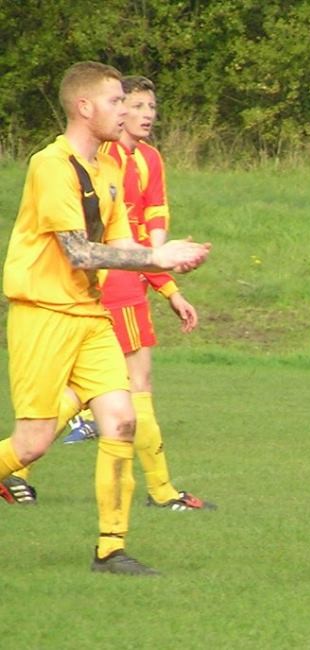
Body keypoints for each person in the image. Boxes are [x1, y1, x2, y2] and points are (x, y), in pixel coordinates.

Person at [0, 61, 211, 574]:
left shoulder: (110, 169)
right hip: (42, 314)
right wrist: (154, 257)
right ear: (84, 106)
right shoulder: (51, 165)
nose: (125, 110)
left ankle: (110, 550)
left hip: (90, 315)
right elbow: (78, 252)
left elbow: (121, 246)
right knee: (32, 443)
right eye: (116, 101)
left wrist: (166, 266)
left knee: (121, 420)